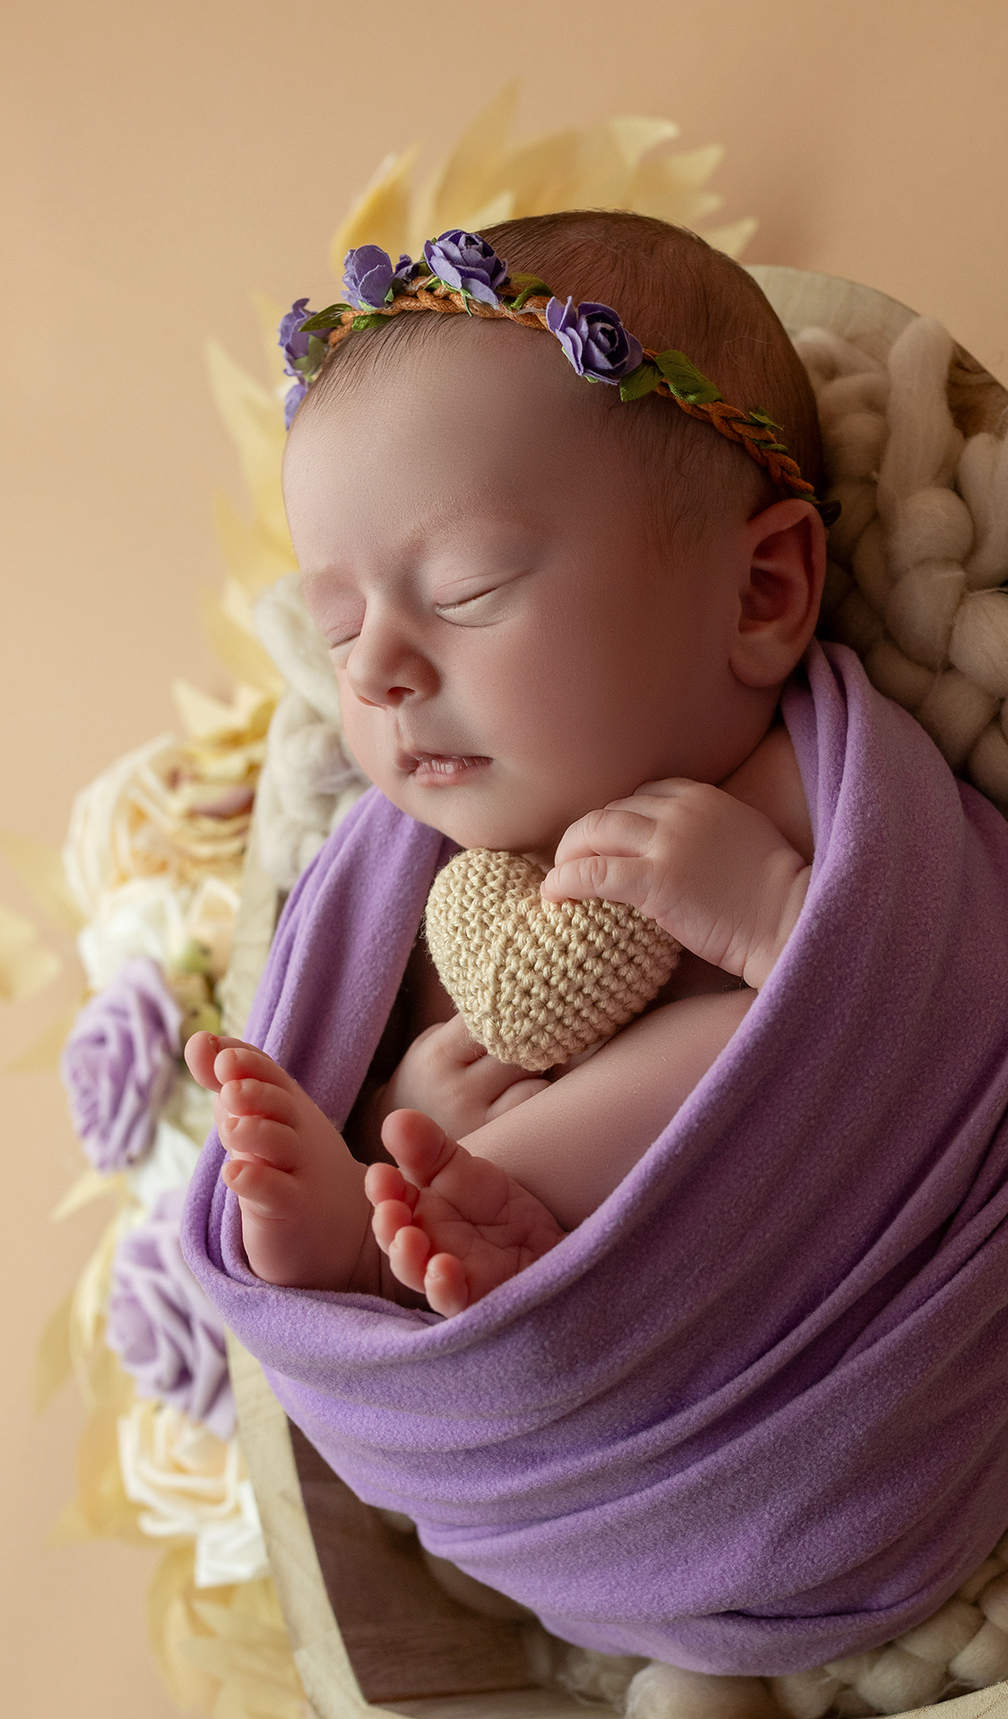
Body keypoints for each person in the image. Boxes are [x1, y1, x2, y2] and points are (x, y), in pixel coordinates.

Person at [186, 211, 833, 1317]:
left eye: (468, 590)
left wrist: (783, 918)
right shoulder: (429, 894)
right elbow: (364, 1052)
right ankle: (407, 1220)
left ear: (760, 594)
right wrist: (404, 1102)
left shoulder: (802, 800)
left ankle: (379, 1239)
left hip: (795, 1337)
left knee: (741, 1036)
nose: (378, 666)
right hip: (560, 1423)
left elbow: (937, 1007)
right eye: (338, 628)